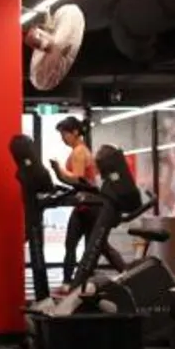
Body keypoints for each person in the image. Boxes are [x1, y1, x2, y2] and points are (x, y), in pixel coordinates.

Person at [49, 116, 99, 289]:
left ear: (75, 132)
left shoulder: (79, 151)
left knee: (82, 246)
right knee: (79, 245)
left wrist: (59, 170)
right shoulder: (79, 150)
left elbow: (78, 179)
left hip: (89, 205)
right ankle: (72, 282)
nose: (62, 138)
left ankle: (73, 282)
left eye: (64, 134)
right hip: (85, 204)